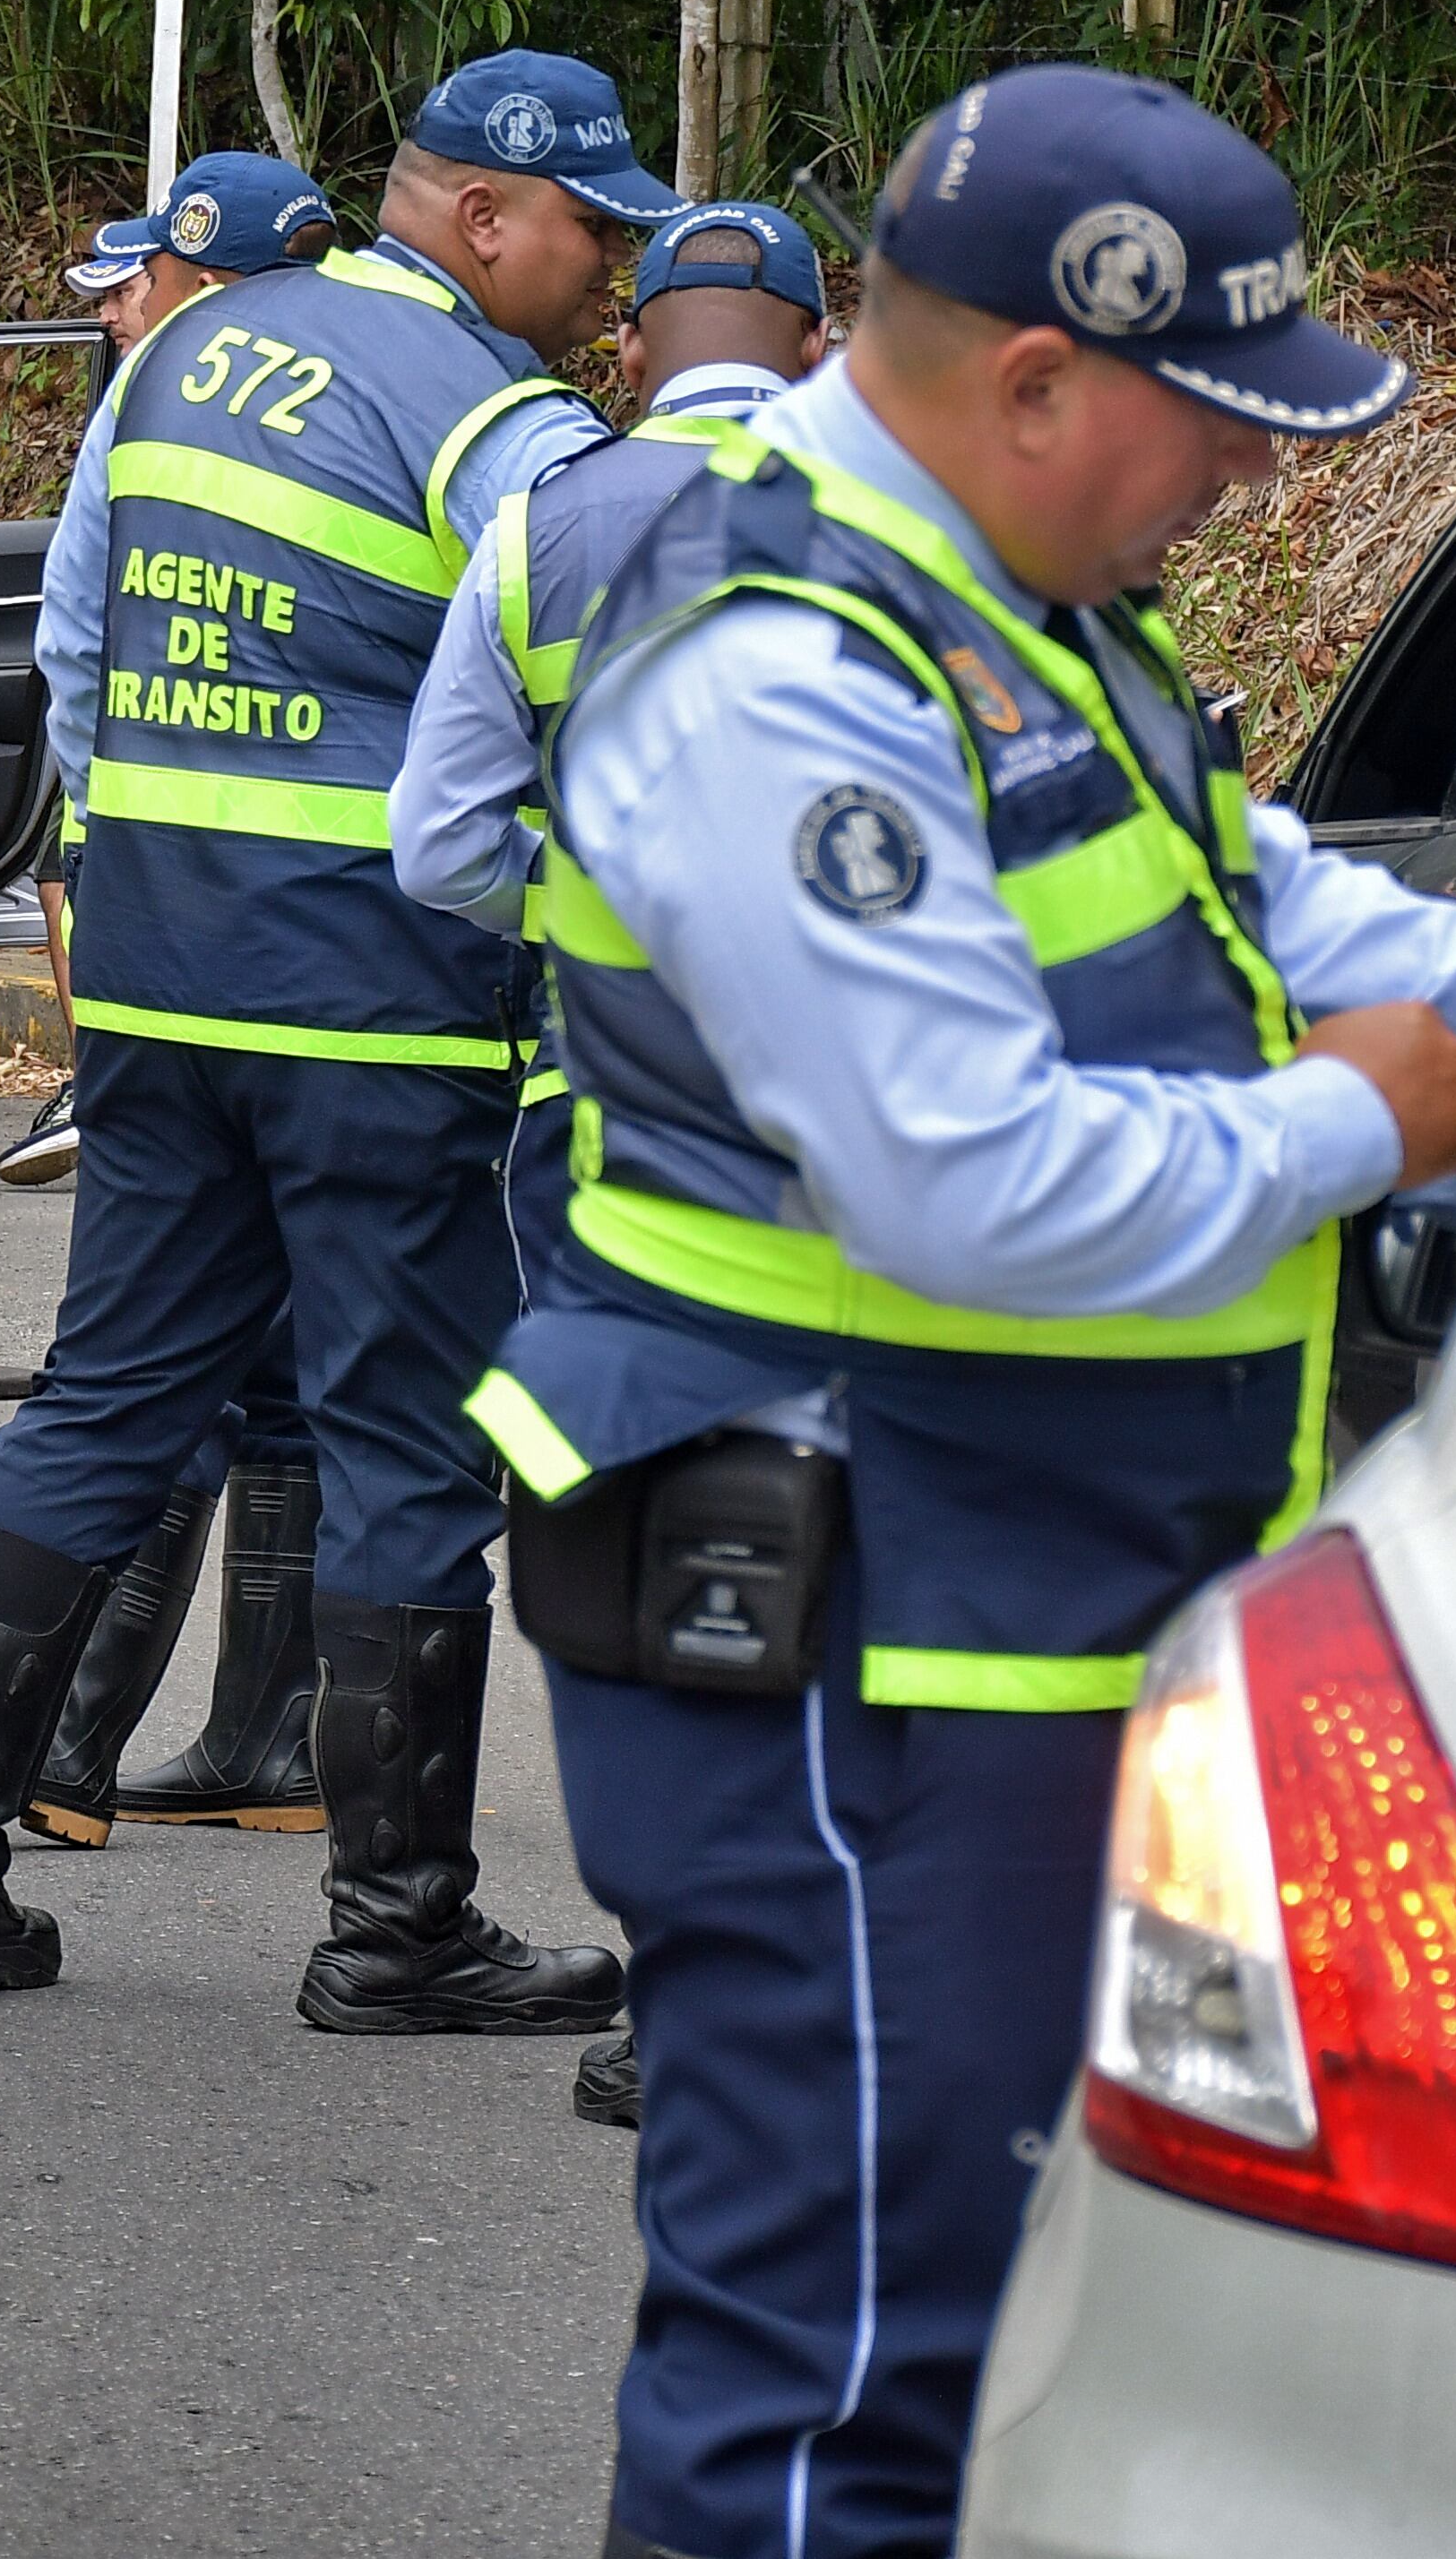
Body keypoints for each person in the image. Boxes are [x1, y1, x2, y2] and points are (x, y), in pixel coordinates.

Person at [466, 65, 1456, 2559]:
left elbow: (1261, 911)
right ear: (1030, 381)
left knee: (1005, 2338)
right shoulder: (780, 668)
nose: (1243, 487)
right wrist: (1359, 1125)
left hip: (1011, 1613)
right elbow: (963, 1177)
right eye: (1210, 433)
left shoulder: (1012, 606)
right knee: (852, 2374)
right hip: (858, 1637)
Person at [0, 52, 671, 2029]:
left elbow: (79, 650)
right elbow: (580, 641)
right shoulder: (492, 412)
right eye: (589, 227)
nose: (609, 268)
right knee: (397, 1429)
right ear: (480, 215)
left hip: (151, 971)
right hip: (373, 997)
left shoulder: (191, 356)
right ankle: (396, 1926)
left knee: (111, 1390)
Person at [389, 196, 831, 2132]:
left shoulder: (538, 524)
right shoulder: (929, 519)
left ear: (634, 353)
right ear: (815, 347)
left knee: (660, 1541)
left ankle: (672, 2002)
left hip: (613, 1112)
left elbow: (438, 844)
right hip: (861, 1117)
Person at [0, 149, 340, 1190]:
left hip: (155, 815)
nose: (115, 314)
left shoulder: (152, 393)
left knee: (167, 1181)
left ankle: (96, 1085)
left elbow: (71, 631)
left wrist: (104, 791)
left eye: (142, 284)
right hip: (329, 844)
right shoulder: (391, 385)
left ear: (200, 279)